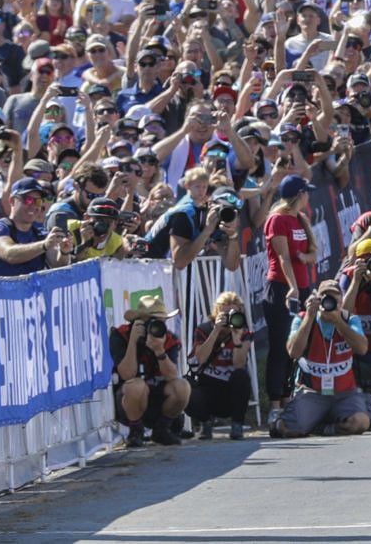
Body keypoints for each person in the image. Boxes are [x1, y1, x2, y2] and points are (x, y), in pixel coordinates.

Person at [273, 279, 371, 438]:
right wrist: (310, 317)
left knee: (361, 422)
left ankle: (321, 428)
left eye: (334, 298)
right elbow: (293, 352)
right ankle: (297, 420)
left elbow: (362, 348)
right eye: (325, 297)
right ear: (317, 299)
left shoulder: (350, 319)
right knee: (286, 428)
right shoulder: (303, 318)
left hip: (344, 393)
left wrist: (338, 321)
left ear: (341, 300)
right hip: (313, 393)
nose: (329, 302)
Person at [263, 174, 320, 426]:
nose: (308, 196)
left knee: (298, 346)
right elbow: (283, 258)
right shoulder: (277, 220)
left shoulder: (301, 219)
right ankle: (275, 404)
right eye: (306, 192)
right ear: (299, 195)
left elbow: (311, 253)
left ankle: (289, 399)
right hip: (282, 288)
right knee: (280, 346)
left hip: (303, 288)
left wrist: (306, 260)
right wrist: (293, 289)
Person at [109, 295, 191, 447]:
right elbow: (127, 374)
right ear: (139, 321)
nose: (157, 325)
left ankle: (162, 430)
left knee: (182, 387)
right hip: (129, 403)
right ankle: (136, 431)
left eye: (162, 321)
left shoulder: (168, 339)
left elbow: (172, 376)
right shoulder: (122, 335)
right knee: (136, 385)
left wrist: (159, 350)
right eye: (153, 321)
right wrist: (133, 342)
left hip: (158, 401)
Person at [185, 291, 254, 440]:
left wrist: (236, 339)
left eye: (233, 313)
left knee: (241, 376)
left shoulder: (243, 332)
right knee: (185, 387)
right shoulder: (204, 329)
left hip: (230, 392)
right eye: (226, 313)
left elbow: (239, 364)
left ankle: (237, 424)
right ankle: (205, 422)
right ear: (217, 311)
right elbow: (201, 358)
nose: (230, 317)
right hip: (208, 387)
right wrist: (216, 331)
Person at [0, 178, 71, 277]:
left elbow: (58, 265)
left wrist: (64, 252)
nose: (33, 206)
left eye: (38, 201)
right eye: (28, 200)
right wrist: (44, 245)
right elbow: (8, 254)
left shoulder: (39, 234)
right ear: (12, 201)